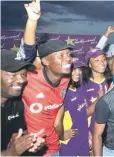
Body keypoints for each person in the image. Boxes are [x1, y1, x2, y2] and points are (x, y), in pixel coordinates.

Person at [21, 0, 73, 155]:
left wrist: (59, 122)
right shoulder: (28, 79)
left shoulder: (65, 79)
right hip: (31, 150)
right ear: (44, 61)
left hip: (54, 148)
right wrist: (32, 20)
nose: (68, 58)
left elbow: (59, 101)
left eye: (69, 54)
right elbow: (27, 53)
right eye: (61, 55)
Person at [1, 50, 45, 156]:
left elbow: (18, 132)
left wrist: (29, 140)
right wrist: (9, 154)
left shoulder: (17, 103)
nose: (21, 80)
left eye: (23, 74)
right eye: (13, 74)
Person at [59, 59, 90, 156]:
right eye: (74, 69)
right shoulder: (62, 91)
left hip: (83, 136)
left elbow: (84, 112)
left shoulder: (81, 86)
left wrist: (88, 132)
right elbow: (53, 118)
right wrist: (61, 135)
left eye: (79, 69)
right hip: (70, 139)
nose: (77, 72)